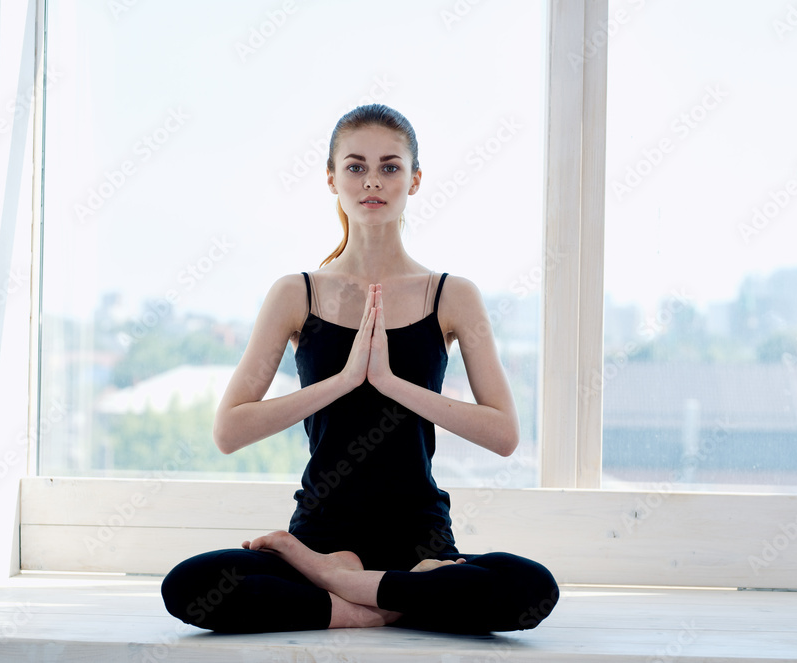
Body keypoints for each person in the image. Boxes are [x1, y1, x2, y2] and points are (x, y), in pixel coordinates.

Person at [161, 104, 559, 635]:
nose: (373, 180)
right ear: (331, 178)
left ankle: (345, 589)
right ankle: (396, 600)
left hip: (418, 538)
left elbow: (504, 435)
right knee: (189, 586)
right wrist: (344, 381)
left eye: (391, 167)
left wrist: (392, 384)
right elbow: (230, 430)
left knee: (531, 589)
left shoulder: (452, 295)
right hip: (321, 532)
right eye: (355, 166)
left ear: (415, 180)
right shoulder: (295, 293)